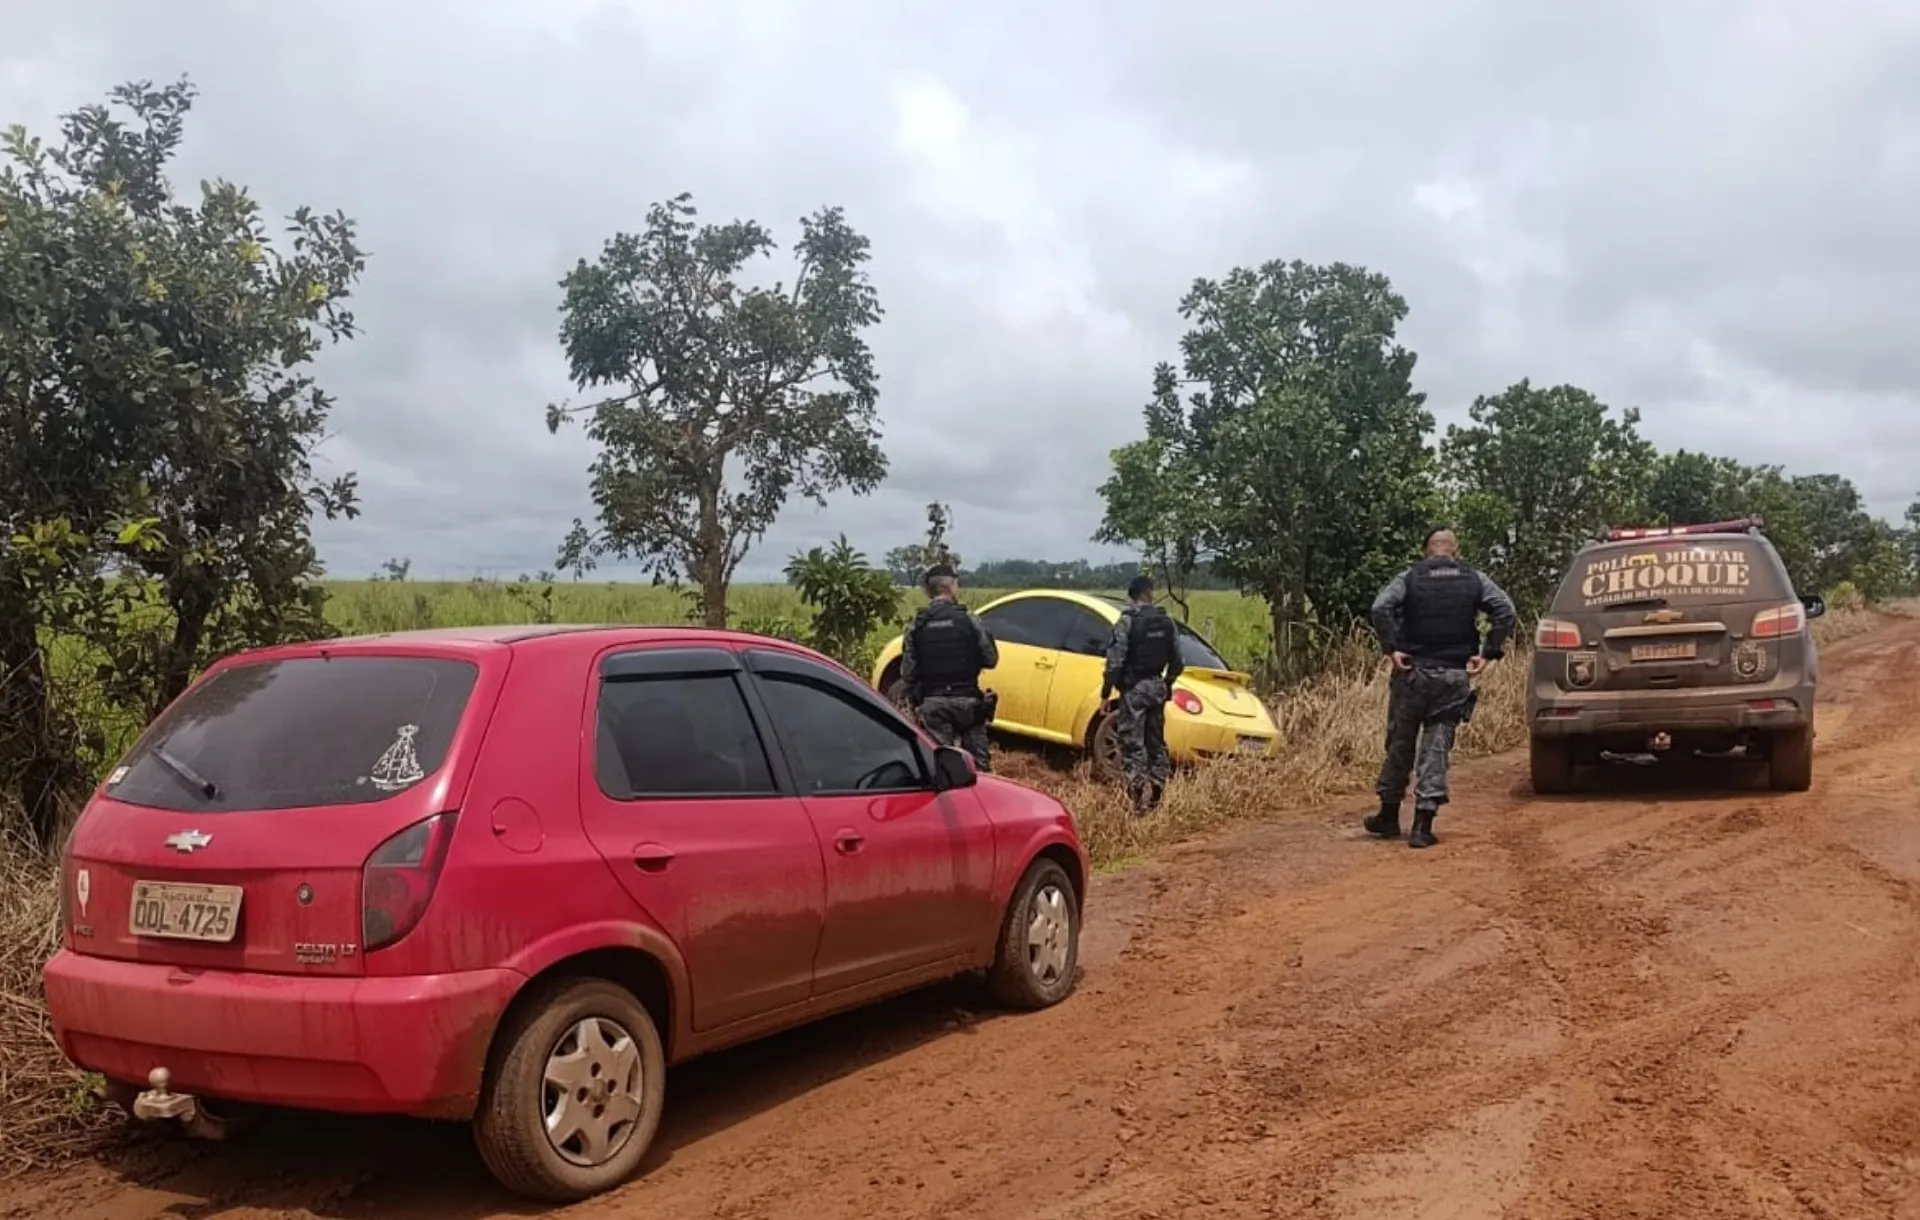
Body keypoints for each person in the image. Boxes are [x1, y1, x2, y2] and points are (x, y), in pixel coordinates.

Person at [1365, 528, 1518, 849]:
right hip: (1452, 676)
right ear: (1455, 551)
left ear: (1426, 551)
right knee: (1436, 747)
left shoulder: (1409, 577)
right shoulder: (1474, 578)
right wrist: (1487, 652)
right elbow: (1506, 611)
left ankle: (1389, 817)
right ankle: (1423, 824)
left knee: (1400, 743)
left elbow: (1381, 607)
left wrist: (1392, 648)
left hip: (1412, 674)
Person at [900, 563, 999, 771]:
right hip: (969, 704)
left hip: (933, 705)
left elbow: (907, 673)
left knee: (940, 768)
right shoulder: (970, 620)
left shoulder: (917, 625)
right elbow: (991, 659)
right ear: (951, 586)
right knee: (979, 770)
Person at [1101, 574, 1184, 814]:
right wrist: (1167, 683)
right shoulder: (1166, 621)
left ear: (1132, 596)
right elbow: (1178, 661)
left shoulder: (1127, 622)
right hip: (1157, 687)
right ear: (1149, 593)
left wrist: (1107, 692)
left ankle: (1137, 803)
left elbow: (1115, 661)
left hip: (1134, 690)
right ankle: (1157, 795)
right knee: (1156, 742)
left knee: (1132, 744)